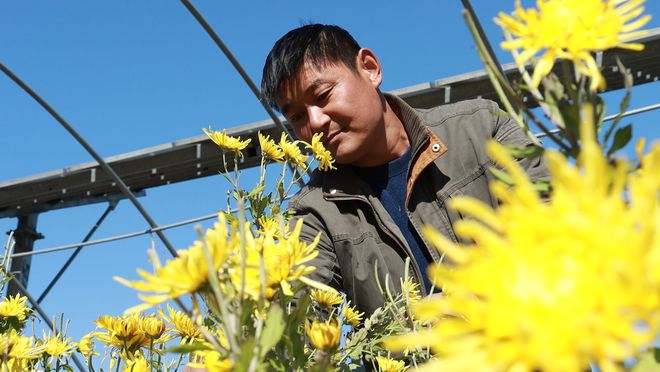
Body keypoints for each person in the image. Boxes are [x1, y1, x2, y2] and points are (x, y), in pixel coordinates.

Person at [260, 24, 549, 317]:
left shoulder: (482, 128)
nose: (315, 121)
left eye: (322, 95)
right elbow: (297, 312)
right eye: (296, 116)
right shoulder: (314, 212)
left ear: (370, 68)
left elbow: (554, 223)